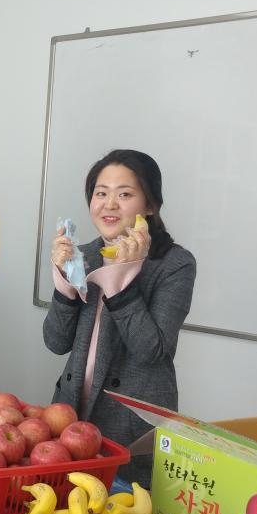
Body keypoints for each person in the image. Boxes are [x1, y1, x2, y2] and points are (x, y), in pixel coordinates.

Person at [43, 149, 195, 486]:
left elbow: (151, 350)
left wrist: (122, 281)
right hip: (70, 413)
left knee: (124, 507)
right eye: (101, 193)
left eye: (124, 194)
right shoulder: (83, 254)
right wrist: (64, 285)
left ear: (150, 205)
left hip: (130, 425)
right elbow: (55, 342)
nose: (109, 204)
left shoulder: (175, 264)